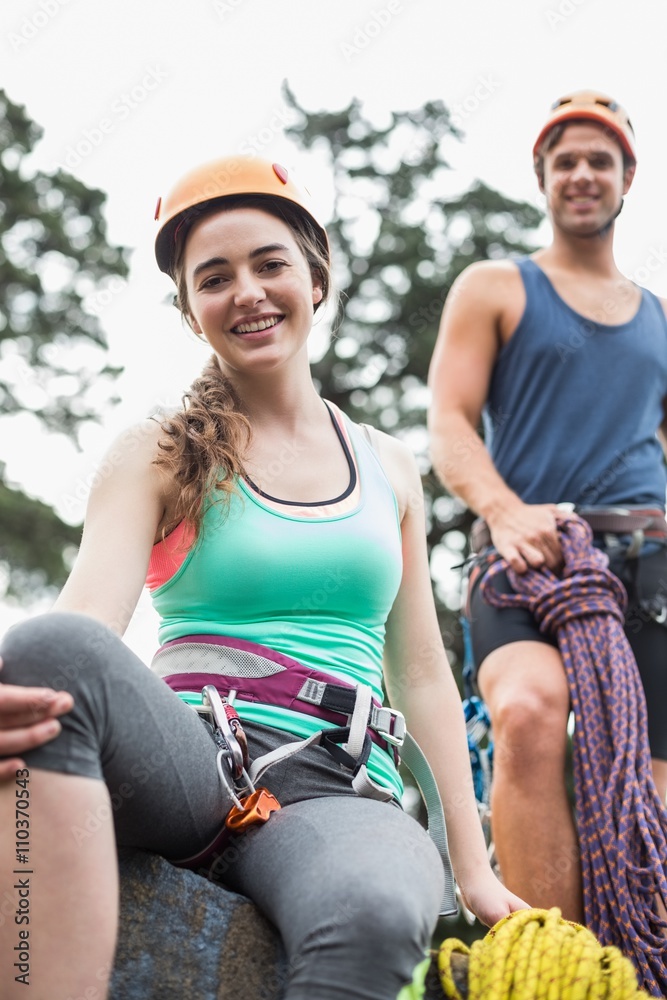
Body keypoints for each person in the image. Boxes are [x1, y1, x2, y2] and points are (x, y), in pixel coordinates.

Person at [0, 155, 525, 1000]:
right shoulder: (159, 452)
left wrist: (473, 869)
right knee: (49, 652)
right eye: (214, 277)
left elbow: (422, 673)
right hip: (186, 763)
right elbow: (85, 626)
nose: (246, 291)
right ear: (191, 310)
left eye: (269, 264)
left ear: (316, 279)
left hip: (337, 788)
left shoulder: (388, 467)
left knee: (374, 912)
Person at [427, 90, 667, 924]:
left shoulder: (659, 320)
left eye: (599, 159)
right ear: (541, 177)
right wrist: (500, 509)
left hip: (649, 565)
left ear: (626, 177)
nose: (581, 173)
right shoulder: (496, 287)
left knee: (654, 771)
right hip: (528, 554)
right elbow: (449, 423)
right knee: (526, 713)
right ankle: (550, 970)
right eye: (563, 159)